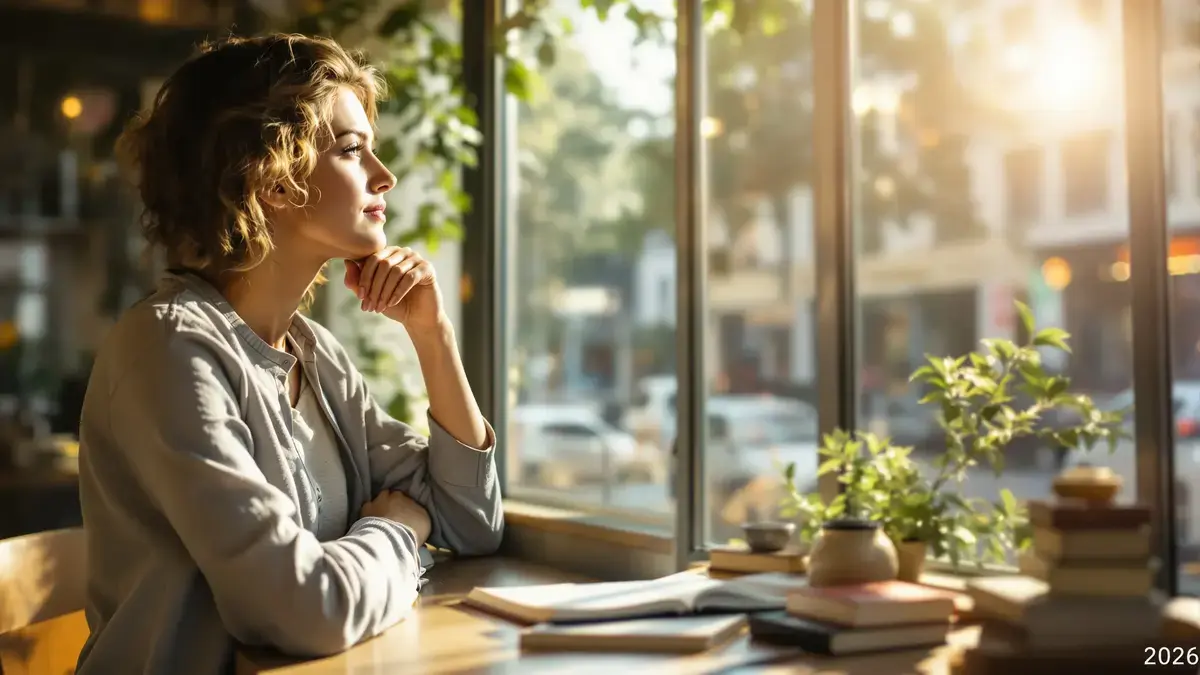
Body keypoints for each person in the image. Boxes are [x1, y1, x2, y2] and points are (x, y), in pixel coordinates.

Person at [74, 33, 503, 675]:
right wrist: (399, 532)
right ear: (271, 178)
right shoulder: (167, 349)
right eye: (354, 151)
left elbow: (471, 521)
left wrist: (433, 335)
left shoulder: (314, 354)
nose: (384, 177)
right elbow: (304, 609)